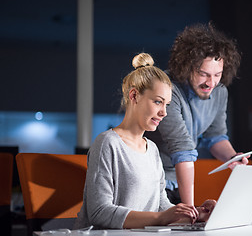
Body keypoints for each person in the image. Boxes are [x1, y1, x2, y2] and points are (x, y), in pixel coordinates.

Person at [74, 53, 215, 229]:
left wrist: (196, 214)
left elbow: (162, 206)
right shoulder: (107, 143)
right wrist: (160, 218)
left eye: (167, 105)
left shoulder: (152, 150)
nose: (164, 112)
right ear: (134, 96)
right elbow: (99, 212)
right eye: (158, 102)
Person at [145, 22, 251, 205]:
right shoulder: (166, 88)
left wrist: (232, 157)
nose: (211, 83)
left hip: (178, 178)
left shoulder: (220, 92)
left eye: (217, 74)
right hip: (150, 178)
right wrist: (189, 209)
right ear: (186, 67)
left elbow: (215, 136)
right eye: (203, 74)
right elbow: (182, 148)